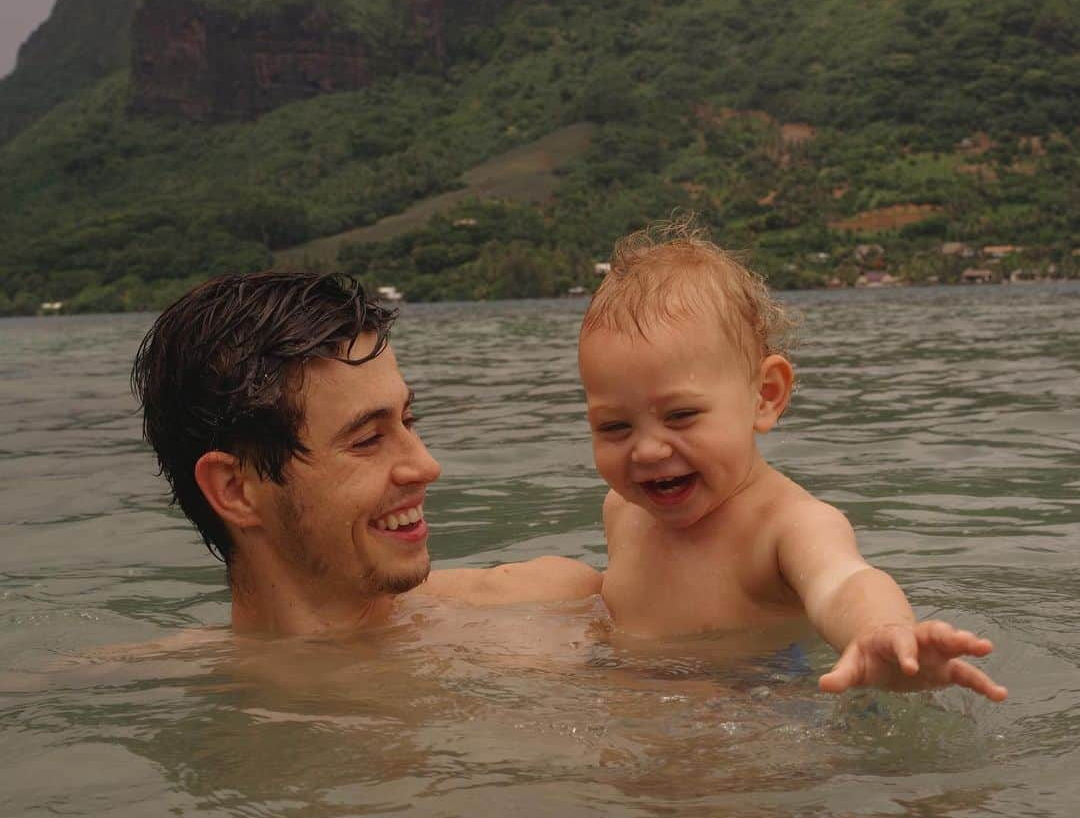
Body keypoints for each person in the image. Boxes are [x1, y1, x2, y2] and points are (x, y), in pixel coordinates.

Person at [576, 223, 1008, 700]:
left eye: (681, 416)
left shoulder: (789, 525)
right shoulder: (623, 509)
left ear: (765, 396)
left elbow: (843, 581)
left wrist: (878, 629)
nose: (648, 450)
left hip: (759, 706)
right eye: (614, 427)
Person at [131, 270, 600, 637]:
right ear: (236, 490)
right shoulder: (145, 688)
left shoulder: (556, 611)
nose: (426, 466)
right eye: (368, 440)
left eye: (407, 421)